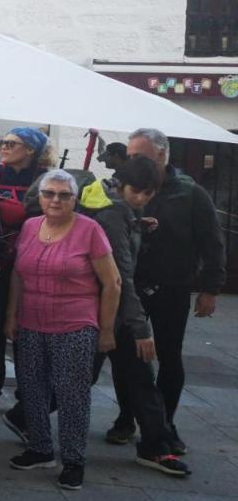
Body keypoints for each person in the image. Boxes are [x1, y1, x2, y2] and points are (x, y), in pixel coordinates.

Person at [6, 169, 121, 490]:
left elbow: (112, 283)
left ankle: (73, 460)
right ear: (40, 197)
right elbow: (18, 275)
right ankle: (40, 449)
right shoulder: (30, 227)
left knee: (72, 395)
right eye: (49, 194)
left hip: (74, 324)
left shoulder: (90, 230)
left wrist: (107, 330)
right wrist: (11, 315)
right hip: (31, 322)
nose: (56, 200)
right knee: (31, 388)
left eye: (64, 195)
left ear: (75, 199)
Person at [78, 156, 190, 477]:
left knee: (135, 379)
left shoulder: (117, 208)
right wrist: (140, 327)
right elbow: (121, 277)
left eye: (147, 193)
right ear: (122, 184)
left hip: (107, 309)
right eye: (136, 191)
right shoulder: (114, 214)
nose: (141, 198)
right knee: (100, 377)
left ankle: (156, 444)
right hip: (110, 311)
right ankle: (155, 445)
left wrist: (137, 222)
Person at [123, 128, 226, 455]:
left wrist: (210, 288)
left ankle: (165, 423)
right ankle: (127, 418)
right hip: (133, 286)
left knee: (169, 356)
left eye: (139, 156)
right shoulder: (124, 187)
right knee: (128, 356)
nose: (133, 162)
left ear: (161, 156)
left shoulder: (190, 193)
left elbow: (212, 242)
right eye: (130, 157)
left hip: (173, 285)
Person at [0, 126, 52, 423]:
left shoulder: (45, 179)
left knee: (28, 334)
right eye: (2, 143)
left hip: (33, 263)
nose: (4, 148)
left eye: (11, 143)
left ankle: (27, 397)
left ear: (31, 150)